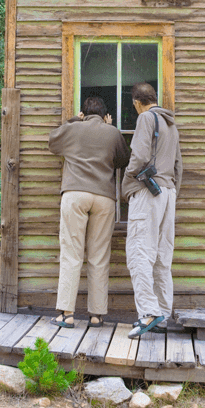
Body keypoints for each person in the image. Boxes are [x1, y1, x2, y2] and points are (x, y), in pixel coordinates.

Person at [48, 96, 130, 328]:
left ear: (83, 113)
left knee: (72, 254)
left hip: (75, 194)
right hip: (104, 198)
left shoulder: (74, 128)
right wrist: (109, 127)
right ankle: (96, 314)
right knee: (99, 256)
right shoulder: (112, 132)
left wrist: (74, 120)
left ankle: (67, 314)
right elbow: (122, 160)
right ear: (105, 115)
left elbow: (52, 143)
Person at [121, 82, 182, 338]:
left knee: (138, 252)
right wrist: (173, 191)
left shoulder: (146, 117)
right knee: (161, 257)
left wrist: (128, 176)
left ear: (137, 102)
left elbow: (139, 155)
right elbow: (178, 165)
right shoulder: (170, 123)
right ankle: (163, 315)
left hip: (148, 191)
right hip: (168, 193)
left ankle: (148, 312)